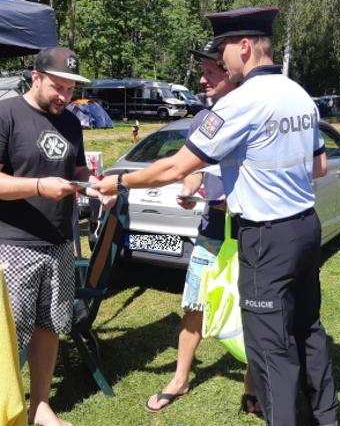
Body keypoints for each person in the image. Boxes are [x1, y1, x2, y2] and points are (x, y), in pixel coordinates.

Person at [96, 7, 340, 426]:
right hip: (305, 227)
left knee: (270, 351)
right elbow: (318, 168)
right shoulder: (298, 94)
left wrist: (120, 183)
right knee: (309, 332)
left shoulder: (242, 101)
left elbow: (177, 167)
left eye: (221, 51)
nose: (218, 62)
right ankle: (327, 418)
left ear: (243, 47)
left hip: (266, 238)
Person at [0, 47, 114, 426]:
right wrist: (38, 185)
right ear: (35, 77)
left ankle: (40, 406)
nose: (64, 96)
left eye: (69, 89)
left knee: (50, 325)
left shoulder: (69, 122)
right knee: (8, 332)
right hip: (12, 244)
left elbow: (79, 171)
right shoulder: (1, 116)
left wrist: (94, 186)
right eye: (57, 87)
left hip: (59, 241)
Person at [144, 40, 259, 416]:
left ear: (230, 75)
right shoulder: (202, 120)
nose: (202, 78)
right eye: (205, 72)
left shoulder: (251, 115)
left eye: (211, 72)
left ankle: (252, 386)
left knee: (252, 311)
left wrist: (235, 197)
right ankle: (180, 379)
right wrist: (190, 186)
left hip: (249, 235)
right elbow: (193, 167)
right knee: (193, 304)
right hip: (210, 233)